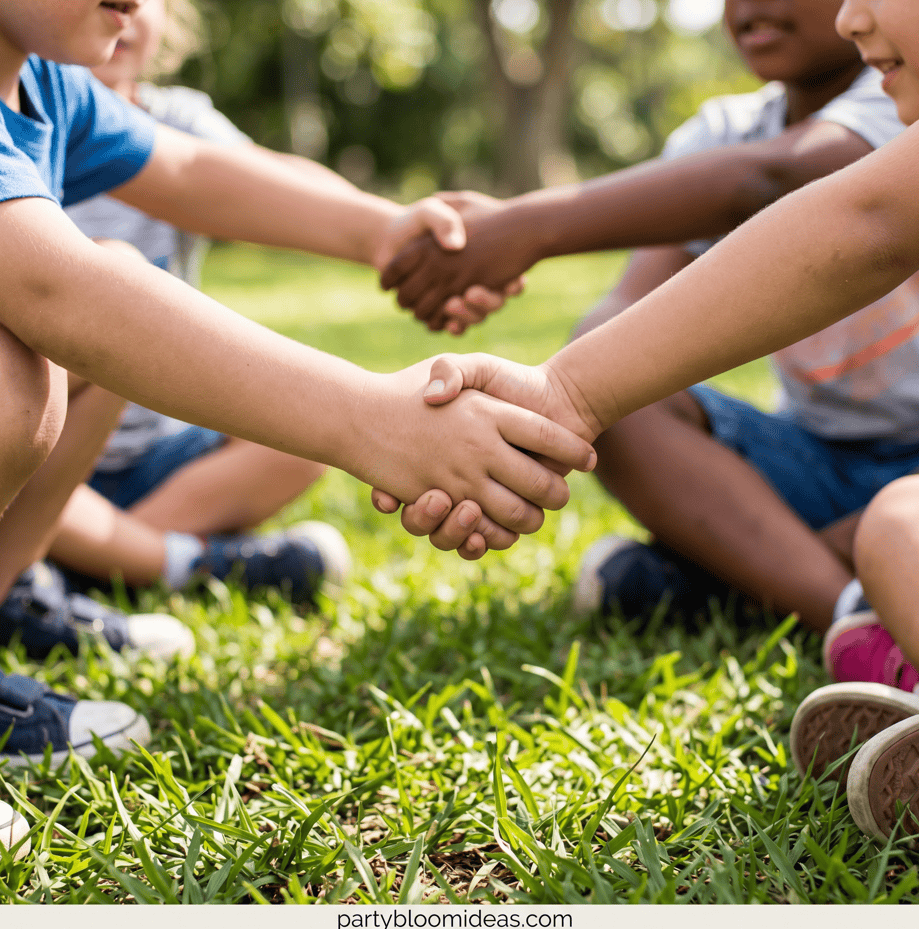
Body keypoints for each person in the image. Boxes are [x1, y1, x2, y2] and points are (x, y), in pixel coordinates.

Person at [0, 0, 595, 764]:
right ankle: (138, 562)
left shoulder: (45, 87)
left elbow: (190, 171)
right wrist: (371, 420)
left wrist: (381, 230)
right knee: (20, 379)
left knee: (117, 282)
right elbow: (57, 291)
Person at [378, 0, 919, 840]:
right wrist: (560, 393)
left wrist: (526, 226)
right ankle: (851, 609)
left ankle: (737, 577)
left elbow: (811, 192)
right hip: (818, 458)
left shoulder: (886, 107)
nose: (850, 18)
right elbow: (626, 315)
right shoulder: (728, 125)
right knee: (630, 393)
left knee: (892, 525)